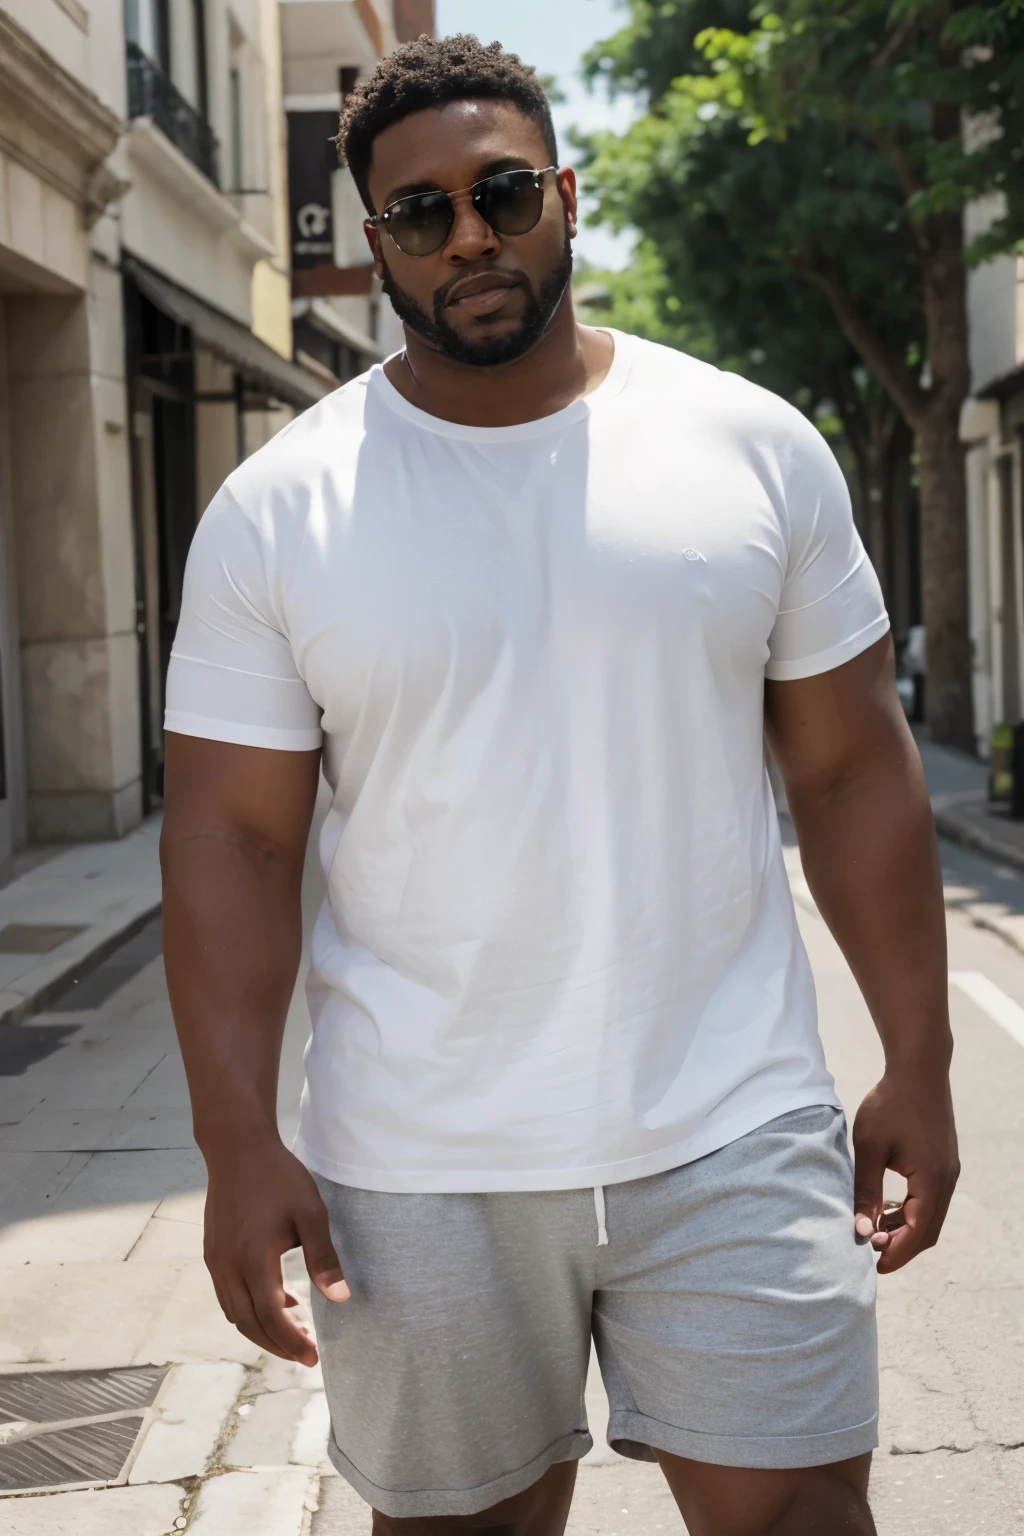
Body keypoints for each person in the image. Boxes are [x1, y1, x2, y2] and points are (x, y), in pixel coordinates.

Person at [161, 34, 958, 1536]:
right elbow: (234, 841)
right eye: (420, 213)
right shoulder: (280, 508)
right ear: (377, 244)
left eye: (503, 190)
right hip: (415, 1160)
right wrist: (234, 1139)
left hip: (733, 1117)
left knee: (806, 1517)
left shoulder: (748, 445)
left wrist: (919, 1056)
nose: (470, 234)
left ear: (566, 196)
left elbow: (853, 772)